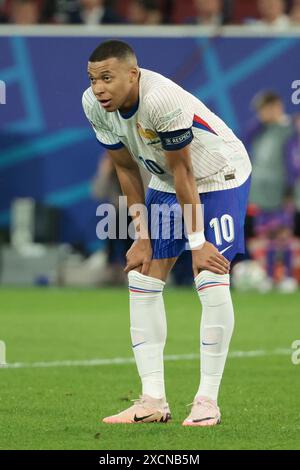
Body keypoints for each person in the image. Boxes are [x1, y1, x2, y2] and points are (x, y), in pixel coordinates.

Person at [82, 40, 252, 426]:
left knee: (210, 274)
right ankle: (152, 401)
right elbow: (125, 169)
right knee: (143, 276)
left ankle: (207, 401)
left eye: (107, 78)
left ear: (133, 74)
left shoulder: (162, 100)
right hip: (163, 179)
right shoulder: (93, 105)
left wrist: (196, 243)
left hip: (219, 175)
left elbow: (185, 173)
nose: (99, 89)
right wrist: (141, 236)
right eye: (93, 80)